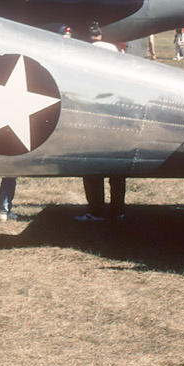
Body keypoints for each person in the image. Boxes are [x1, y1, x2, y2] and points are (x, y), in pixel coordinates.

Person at [78, 24, 127, 221]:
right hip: (117, 118)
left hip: (96, 117)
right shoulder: (116, 54)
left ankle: (96, 211)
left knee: (92, 169)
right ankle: (118, 210)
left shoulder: (85, 55)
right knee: (117, 172)